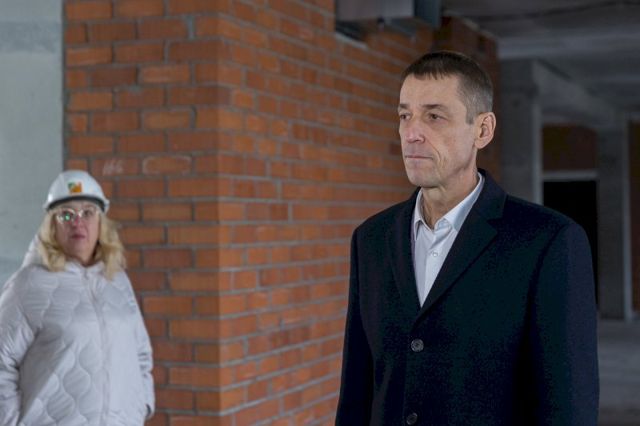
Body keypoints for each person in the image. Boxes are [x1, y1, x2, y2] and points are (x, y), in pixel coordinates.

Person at [335, 51, 598, 425]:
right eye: (405, 115)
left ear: (483, 130)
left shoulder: (549, 241)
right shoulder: (371, 239)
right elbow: (356, 392)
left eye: (434, 116)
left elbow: (569, 407)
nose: (411, 133)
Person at [0, 170, 155, 425]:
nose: (77, 222)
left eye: (88, 213)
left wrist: (142, 406)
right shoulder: (28, 285)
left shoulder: (117, 280)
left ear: (101, 223)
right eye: (66, 214)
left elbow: (141, 354)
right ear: (52, 225)